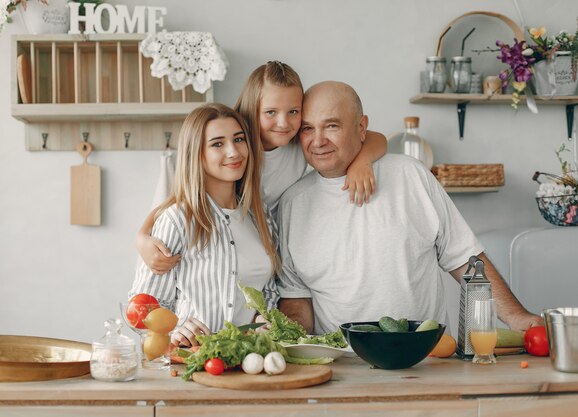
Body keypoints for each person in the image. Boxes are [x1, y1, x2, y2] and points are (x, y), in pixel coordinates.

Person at [276, 81, 543, 334]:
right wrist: (288, 333)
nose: (318, 140)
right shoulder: (292, 203)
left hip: (424, 358)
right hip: (340, 366)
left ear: (361, 127)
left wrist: (515, 315)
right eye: (307, 129)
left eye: (331, 126)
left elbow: (465, 260)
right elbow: (297, 295)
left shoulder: (409, 175)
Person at [135, 61, 388, 275]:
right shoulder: (233, 146)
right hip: (216, 251)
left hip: (265, 249)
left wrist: (361, 162)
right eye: (270, 112)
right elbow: (176, 199)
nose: (283, 122)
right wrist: (142, 239)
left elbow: (374, 137)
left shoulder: (299, 141)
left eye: (293, 111)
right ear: (252, 109)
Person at [129, 103, 279, 347]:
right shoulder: (177, 220)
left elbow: (269, 292)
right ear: (196, 153)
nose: (234, 152)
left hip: (249, 362)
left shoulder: (262, 220)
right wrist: (176, 329)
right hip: (191, 365)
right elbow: (142, 308)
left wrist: (264, 317)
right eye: (217, 144)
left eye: (239, 139)